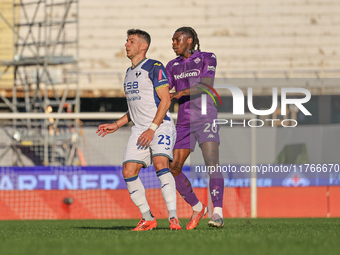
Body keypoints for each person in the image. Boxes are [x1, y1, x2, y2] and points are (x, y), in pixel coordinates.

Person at [97, 29, 181, 231]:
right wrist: (117, 124)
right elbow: (135, 108)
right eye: (126, 41)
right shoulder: (128, 73)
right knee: (128, 170)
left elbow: (166, 99)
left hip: (159, 126)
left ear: (143, 46)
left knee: (161, 164)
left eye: (131, 41)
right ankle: (147, 218)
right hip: (140, 129)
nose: (126, 44)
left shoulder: (154, 66)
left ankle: (173, 218)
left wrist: (152, 128)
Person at [166, 27, 224, 229]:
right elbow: (165, 91)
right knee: (173, 167)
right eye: (172, 40)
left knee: (212, 163)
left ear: (189, 40)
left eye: (177, 39)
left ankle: (217, 213)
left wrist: (179, 94)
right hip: (184, 122)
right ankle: (198, 206)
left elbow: (206, 85)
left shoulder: (208, 57)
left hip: (205, 117)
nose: (173, 43)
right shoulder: (172, 65)